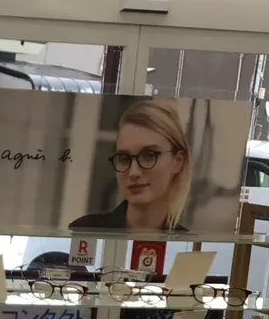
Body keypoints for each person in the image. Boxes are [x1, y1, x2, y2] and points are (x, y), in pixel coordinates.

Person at [70, 99, 192, 233]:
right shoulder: (86, 231)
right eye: (124, 158)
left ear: (177, 161)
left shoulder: (186, 243)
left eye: (149, 156)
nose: (134, 172)